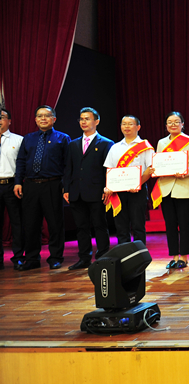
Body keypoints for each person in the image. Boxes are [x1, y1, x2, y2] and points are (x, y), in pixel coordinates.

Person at [13, 105, 70, 271]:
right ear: (35, 119)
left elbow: (68, 164)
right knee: (30, 224)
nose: (43, 119)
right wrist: (18, 182)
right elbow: (21, 161)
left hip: (52, 184)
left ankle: (55, 258)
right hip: (30, 185)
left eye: (47, 115)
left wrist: (66, 186)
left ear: (54, 119)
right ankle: (32, 259)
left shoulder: (63, 138)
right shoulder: (28, 138)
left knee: (55, 224)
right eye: (39, 116)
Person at [63, 108, 114, 270]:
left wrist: (108, 188)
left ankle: (103, 257)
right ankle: (84, 258)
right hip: (76, 192)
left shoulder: (106, 143)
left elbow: (109, 169)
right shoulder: (73, 144)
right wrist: (66, 189)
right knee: (81, 227)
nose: (83, 122)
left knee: (99, 225)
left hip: (97, 192)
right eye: (81, 119)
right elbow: (68, 168)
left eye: (87, 118)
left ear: (96, 121)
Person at [153, 112, 189, 269]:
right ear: (166, 125)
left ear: (182, 124)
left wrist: (185, 171)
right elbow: (159, 162)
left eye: (176, 121)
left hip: (183, 187)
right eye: (170, 122)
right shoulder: (161, 143)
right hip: (166, 188)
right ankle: (174, 256)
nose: (173, 124)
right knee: (170, 224)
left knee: (184, 223)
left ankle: (184, 257)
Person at [103, 115, 154, 246]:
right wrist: (109, 186)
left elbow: (150, 169)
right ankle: (124, 255)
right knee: (121, 227)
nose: (126, 126)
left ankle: (139, 255)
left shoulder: (145, 146)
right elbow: (110, 169)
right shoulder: (115, 147)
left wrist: (137, 184)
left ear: (138, 127)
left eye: (130, 124)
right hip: (118, 192)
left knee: (138, 226)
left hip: (137, 191)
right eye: (124, 124)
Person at [0, 108, 24, 270]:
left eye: (1, 117)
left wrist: (18, 182)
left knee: (17, 222)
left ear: (9, 121)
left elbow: (22, 165)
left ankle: (18, 257)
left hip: (12, 185)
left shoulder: (19, 140)